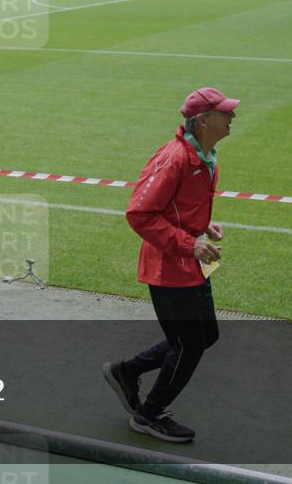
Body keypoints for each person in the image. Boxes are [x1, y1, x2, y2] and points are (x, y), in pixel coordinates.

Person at [103, 87, 239, 443]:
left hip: (189, 262)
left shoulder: (205, 156)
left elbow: (176, 206)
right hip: (168, 267)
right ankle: (149, 414)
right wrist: (189, 242)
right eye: (225, 113)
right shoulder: (176, 158)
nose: (232, 118)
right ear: (203, 120)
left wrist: (201, 226)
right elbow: (140, 214)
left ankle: (127, 372)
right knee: (190, 343)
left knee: (205, 335)